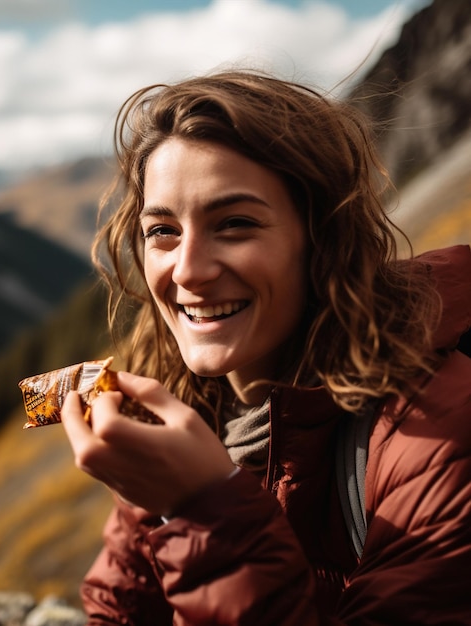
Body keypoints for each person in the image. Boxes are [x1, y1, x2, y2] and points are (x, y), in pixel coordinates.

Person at [60, 69, 471, 625]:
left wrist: (205, 511)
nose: (188, 270)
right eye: (162, 230)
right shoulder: (178, 415)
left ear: (321, 240)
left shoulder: (436, 437)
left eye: (234, 224)